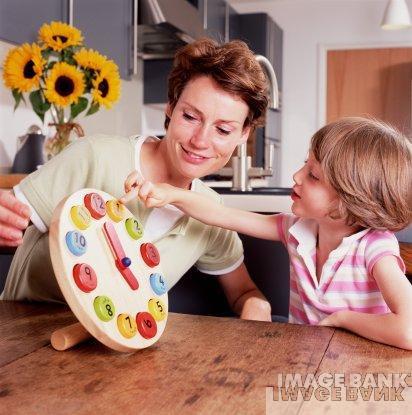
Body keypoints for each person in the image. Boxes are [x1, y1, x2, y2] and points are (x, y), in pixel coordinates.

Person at [0, 38, 272, 321]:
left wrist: (257, 305)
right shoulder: (95, 156)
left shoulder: (211, 213)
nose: (201, 141)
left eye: (224, 130)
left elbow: (243, 292)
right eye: (190, 116)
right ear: (170, 106)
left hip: (119, 353)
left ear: (244, 134)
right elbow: (8, 229)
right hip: (24, 337)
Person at [121, 117, 412, 349]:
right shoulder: (295, 230)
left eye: (313, 175)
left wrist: (343, 319)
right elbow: (222, 215)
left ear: (351, 199)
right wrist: (171, 194)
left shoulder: (375, 249)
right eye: (304, 164)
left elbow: (408, 330)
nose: (296, 177)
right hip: (303, 364)